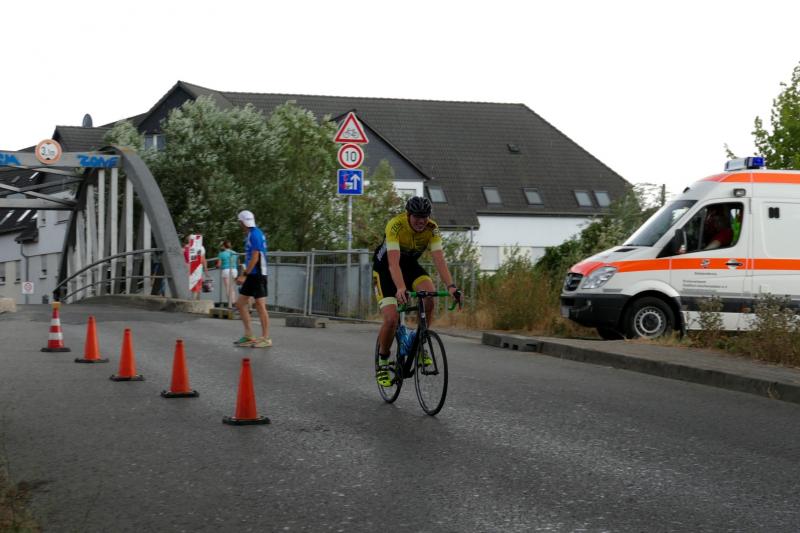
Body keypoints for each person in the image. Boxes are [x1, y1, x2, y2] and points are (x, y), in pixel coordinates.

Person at [372, 196, 461, 386]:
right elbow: (393, 263)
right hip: (385, 269)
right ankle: (383, 362)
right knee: (391, 318)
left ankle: (418, 341)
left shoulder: (432, 228)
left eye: (425, 217)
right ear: (408, 215)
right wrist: (400, 287)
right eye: (417, 217)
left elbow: (439, 259)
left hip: (410, 267)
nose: (421, 221)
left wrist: (451, 286)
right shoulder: (395, 225)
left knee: (429, 296)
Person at [234, 210, 271, 348]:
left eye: (240, 222)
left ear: (243, 222)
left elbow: (255, 257)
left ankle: (266, 338)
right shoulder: (252, 234)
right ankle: (249, 335)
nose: (240, 225)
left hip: (258, 274)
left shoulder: (255, 234)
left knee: (260, 306)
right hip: (252, 274)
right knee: (240, 304)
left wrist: (244, 275)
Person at [183, 234, 208, 301]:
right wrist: (205, 269)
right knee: (196, 282)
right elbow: (203, 259)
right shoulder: (200, 247)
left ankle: (194, 298)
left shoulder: (185, 248)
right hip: (196, 266)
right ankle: (195, 298)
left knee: (193, 282)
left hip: (188, 267)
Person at [217, 240, 239, 307]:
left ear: (224, 246)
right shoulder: (235, 253)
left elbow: (219, 265)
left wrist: (217, 266)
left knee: (228, 288)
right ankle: (234, 302)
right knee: (232, 288)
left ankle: (230, 303)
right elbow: (238, 262)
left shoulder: (221, 254)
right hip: (234, 270)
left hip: (226, 271)